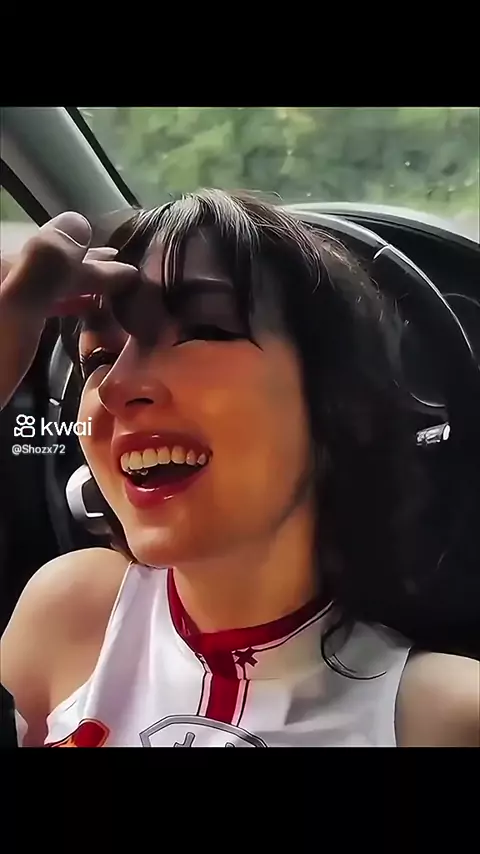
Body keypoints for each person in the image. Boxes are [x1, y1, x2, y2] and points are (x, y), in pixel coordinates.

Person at [0, 192, 478, 747]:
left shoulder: (445, 717)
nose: (115, 387)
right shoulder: (70, 611)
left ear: (342, 402)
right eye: (97, 359)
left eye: (204, 330)